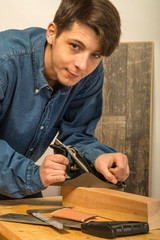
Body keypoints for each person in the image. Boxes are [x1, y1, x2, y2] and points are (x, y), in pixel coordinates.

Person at [0, 0, 129, 200]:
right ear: (52, 32)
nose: (82, 66)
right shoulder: (4, 60)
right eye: (75, 46)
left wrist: (98, 158)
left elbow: (77, 135)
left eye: (95, 54)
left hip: (16, 183)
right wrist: (32, 174)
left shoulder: (89, 75)